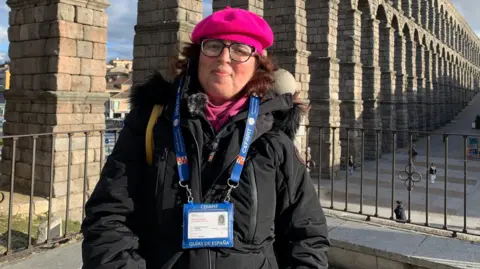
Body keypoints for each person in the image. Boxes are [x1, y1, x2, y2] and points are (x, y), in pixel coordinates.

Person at [81, 6, 330, 269]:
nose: (224, 58)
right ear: (196, 56)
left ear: (258, 63)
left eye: (240, 50)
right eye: (213, 46)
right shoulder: (151, 124)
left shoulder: (275, 138)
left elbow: (307, 235)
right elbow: (108, 218)